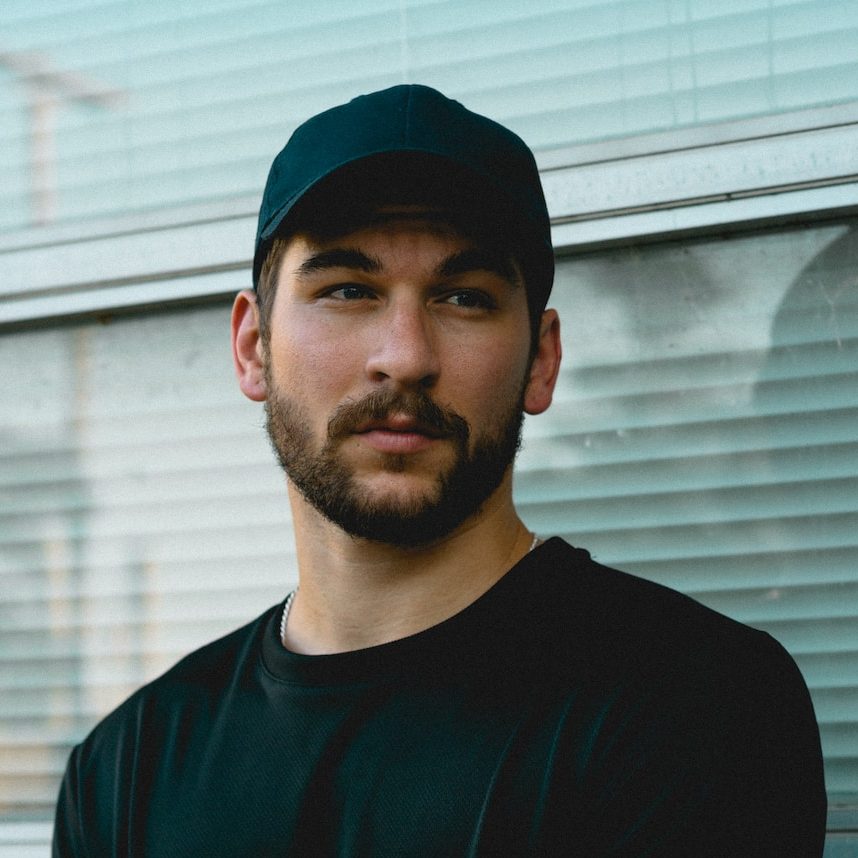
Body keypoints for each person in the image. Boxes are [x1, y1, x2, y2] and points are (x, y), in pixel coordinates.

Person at [53, 84, 826, 856]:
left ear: (541, 361)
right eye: (348, 290)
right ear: (253, 346)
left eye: (463, 297)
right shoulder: (128, 767)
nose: (405, 356)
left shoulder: (695, 705)